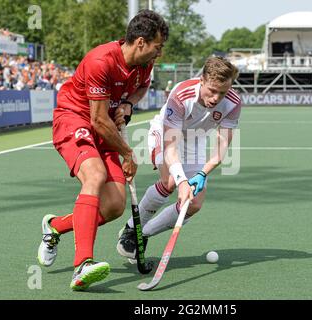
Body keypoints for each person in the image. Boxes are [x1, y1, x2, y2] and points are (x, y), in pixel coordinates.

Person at [36, 10, 169, 291]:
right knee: (94, 176)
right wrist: (128, 154)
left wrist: (128, 104)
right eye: (158, 46)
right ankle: (82, 264)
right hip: (75, 119)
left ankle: (56, 227)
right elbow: (96, 120)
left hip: (105, 125)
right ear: (141, 42)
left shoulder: (145, 64)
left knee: (113, 207)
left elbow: (141, 88)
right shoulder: (101, 61)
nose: (160, 52)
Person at [116, 56, 241, 260]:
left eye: (223, 92)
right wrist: (183, 181)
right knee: (170, 182)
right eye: (212, 90)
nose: (217, 98)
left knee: (194, 204)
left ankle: (143, 234)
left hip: (195, 141)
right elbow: (170, 146)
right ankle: (131, 228)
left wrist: (202, 173)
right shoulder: (182, 95)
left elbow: (221, 148)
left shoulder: (233, 104)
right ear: (202, 80)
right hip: (166, 134)